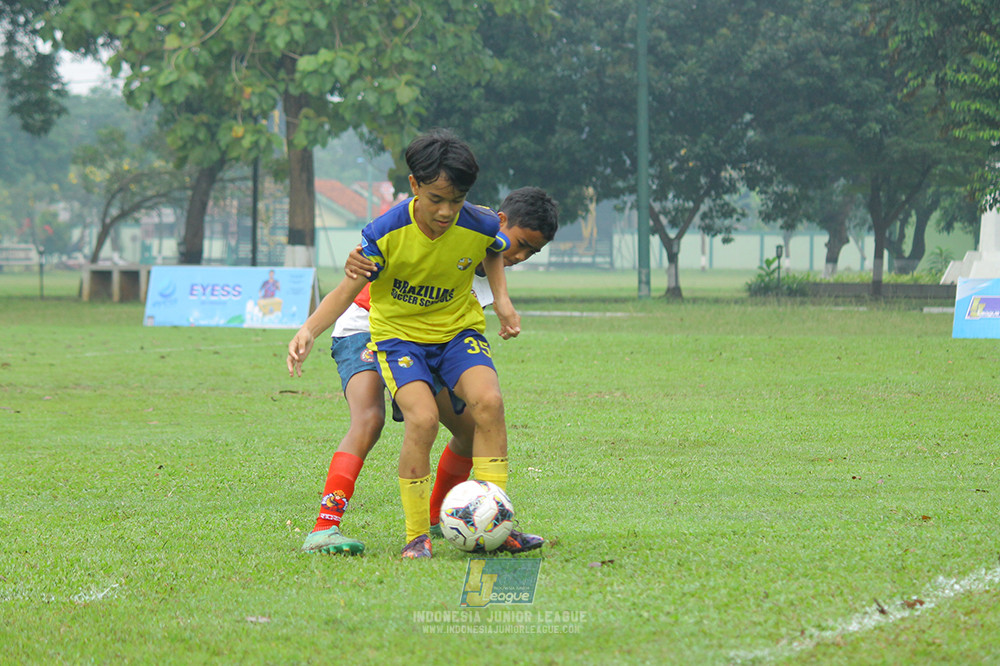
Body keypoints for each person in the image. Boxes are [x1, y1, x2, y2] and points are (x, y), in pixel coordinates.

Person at [287, 129, 526, 559]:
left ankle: (496, 523)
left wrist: (503, 302)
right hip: (398, 339)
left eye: (457, 200)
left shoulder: (480, 221)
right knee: (418, 419)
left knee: (488, 404)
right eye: (437, 199)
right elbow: (347, 290)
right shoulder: (384, 232)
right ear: (414, 186)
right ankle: (413, 535)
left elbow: (494, 248)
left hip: (457, 334)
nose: (447, 211)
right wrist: (309, 329)